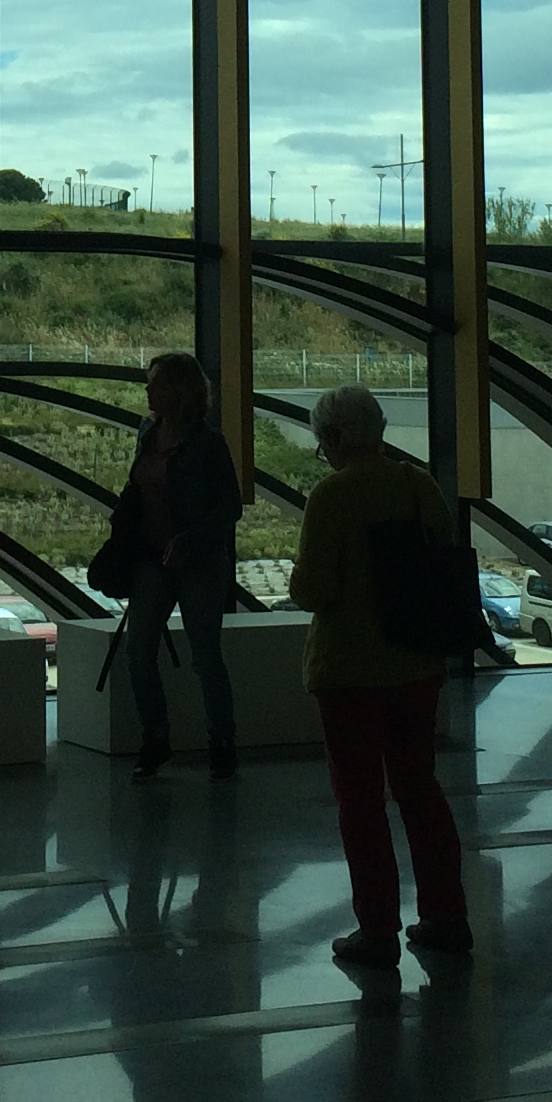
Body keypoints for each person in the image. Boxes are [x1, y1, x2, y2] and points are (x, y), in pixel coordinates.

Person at [288, 382, 469, 969]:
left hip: (348, 670)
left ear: (334, 436)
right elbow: (443, 555)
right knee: (420, 789)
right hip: (416, 663)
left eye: (322, 443)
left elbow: (313, 589)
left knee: (360, 803)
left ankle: (377, 929)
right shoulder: (417, 485)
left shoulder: (332, 495)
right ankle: (446, 915)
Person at [120, 350, 243, 781]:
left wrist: (187, 542)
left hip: (197, 562)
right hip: (156, 558)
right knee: (141, 653)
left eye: (156, 383)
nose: (148, 390)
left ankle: (215, 742)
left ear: (180, 391)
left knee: (203, 656)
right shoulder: (150, 432)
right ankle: (164, 739)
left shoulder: (208, 444)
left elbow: (230, 507)